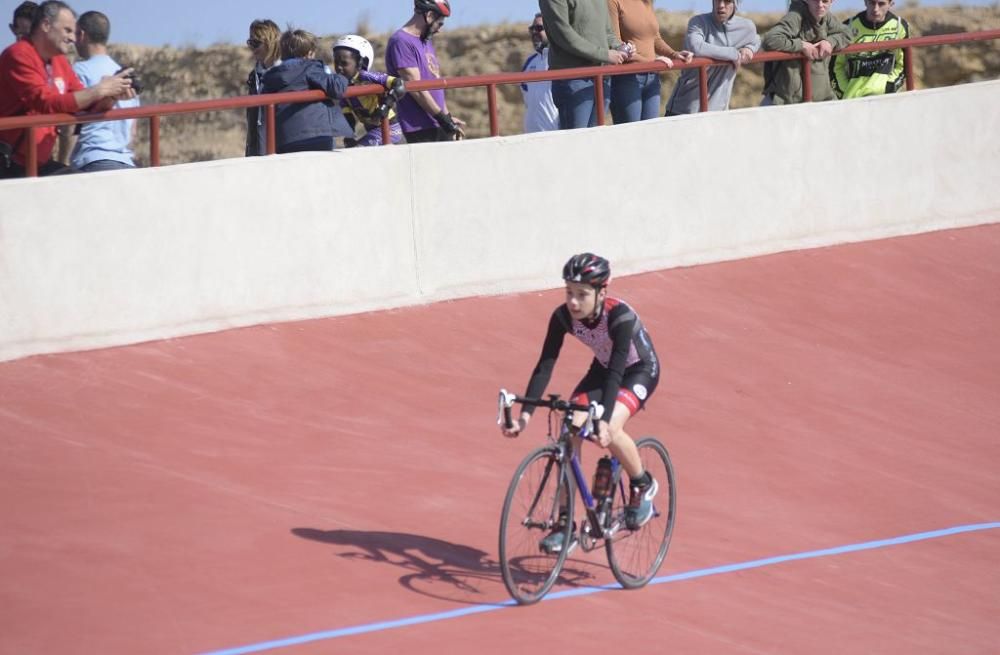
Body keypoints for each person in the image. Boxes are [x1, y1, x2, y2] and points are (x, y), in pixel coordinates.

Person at [501, 253, 661, 552]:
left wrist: (602, 422)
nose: (573, 302)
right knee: (569, 428)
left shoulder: (620, 317)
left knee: (611, 427)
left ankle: (642, 483)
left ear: (602, 293)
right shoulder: (562, 317)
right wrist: (525, 417)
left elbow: (617, 371)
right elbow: (544, 366)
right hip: (602, 371)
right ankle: (564, 524)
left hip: (638, 371)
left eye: (582, 295)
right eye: (569, 293)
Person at [0, 0, 134, 178]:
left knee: (79, 187)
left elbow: (83, 103)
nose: (73, 38)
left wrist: (111, 96)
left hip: (34, 162)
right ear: (46, 25)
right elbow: (43, 102)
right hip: (9, 162)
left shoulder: (59, 61)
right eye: (68, 30)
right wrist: (98, 90)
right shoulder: (18, 54)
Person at [61, 10, 140, 172]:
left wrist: (62, 162)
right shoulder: (125, 76)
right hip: (125, 162)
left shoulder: (78, 71)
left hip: (92, 160)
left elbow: (70, 126)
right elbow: (132, 132)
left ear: (81, 34)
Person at [539, 0, 632, 130]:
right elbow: (563, 35)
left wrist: (620, 47)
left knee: (594, 140)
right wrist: (605, 54)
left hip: (601, 77)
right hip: (574, 79)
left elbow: (607, 33)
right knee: (575, 143)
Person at [261, 28, 354, 154]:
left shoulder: (271, 76)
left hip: (283, 140)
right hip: (314, 135)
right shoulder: (310, 67)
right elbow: (336, 88)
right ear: (309, 53)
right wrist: (343, 76)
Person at [385, 0, 465, 143]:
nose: (439, 29)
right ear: (429, 15)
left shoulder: (425, 40)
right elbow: (417, 90)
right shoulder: (401, 41)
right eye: (439, 23)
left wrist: (448, 117)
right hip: (420, 128)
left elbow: (435, 84)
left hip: (436, 122)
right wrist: (444, 120)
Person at [664, 0, 760, 115]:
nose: (721, 6)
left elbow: (757, 39)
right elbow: (697, 47)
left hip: (718, 111)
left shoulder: (746, 27)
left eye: (727, 1)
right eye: (717, 0)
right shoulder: (698, 22)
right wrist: (734, 54)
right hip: (683, 109)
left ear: (736, 4)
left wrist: (750, 49)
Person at [607, 0, 693, 124]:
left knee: (651, 132)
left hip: (652, 77)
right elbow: (615, 45)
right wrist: (651, 62)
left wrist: (675, 54)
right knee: (630, 135)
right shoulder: (613, 2)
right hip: (627, 79)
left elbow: (655, 38)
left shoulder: (647, 2)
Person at [760, 0, 852, 105]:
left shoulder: (827, 17)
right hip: (788, 102)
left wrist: (830, 42)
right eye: (815, 0)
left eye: (825, 1)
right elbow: (769, 39)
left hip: (822, 98)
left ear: (832, 1)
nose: (820, 5)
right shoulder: (795, 17)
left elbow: (848, 33)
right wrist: (801, 46)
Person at [332, 34, 407, 147]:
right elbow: (349, 117)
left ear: (360, 63)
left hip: (390, 128)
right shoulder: (343, 86)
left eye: (344, 63)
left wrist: (385, 106)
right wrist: (349, 136)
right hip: (373, 131)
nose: (339, 68)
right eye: (336, 63)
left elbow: (399, 84)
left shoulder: (366, 76)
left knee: (357, 150)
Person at [831, 0, 909, 99]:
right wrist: (845, 92)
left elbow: (903, 65)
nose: (875, 9)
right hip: (853, 100)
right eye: (872, 3)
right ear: (865, 2)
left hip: (886, 98)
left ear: (891, 4)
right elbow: (836, 66)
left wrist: (889, 87)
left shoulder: (899, 26)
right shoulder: (848, 26)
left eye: (881, 4)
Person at [245, 19, 281, 156]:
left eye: (256, 43)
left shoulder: (286, 74)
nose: (252, 48)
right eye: (250, 43)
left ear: (270, 42)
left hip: (282, 150)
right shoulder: (254, 76)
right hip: (258, 150)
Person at [520, 13, 558, 133]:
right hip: (530, 137)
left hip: (555, 135)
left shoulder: (560, 59)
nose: (535, 32)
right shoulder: (529, 62)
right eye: (532, 29)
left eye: (539, 28)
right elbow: (527, 97)